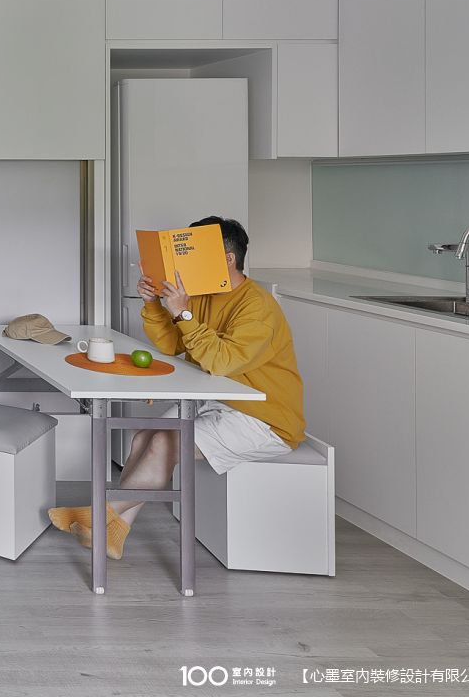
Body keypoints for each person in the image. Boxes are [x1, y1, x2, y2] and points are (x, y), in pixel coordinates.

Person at [48, 215, 305, 559]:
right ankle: (114, 534)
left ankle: (99, 514)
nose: (185, 259)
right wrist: (153, 303)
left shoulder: (257, 307)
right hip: (221, 401)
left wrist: (183, 314)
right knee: (144, 437)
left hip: (264, 419)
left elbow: (220, 361)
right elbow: (172, 345)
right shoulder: (200, 295)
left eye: (195, 251)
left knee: (163, 443)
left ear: (228, 258)